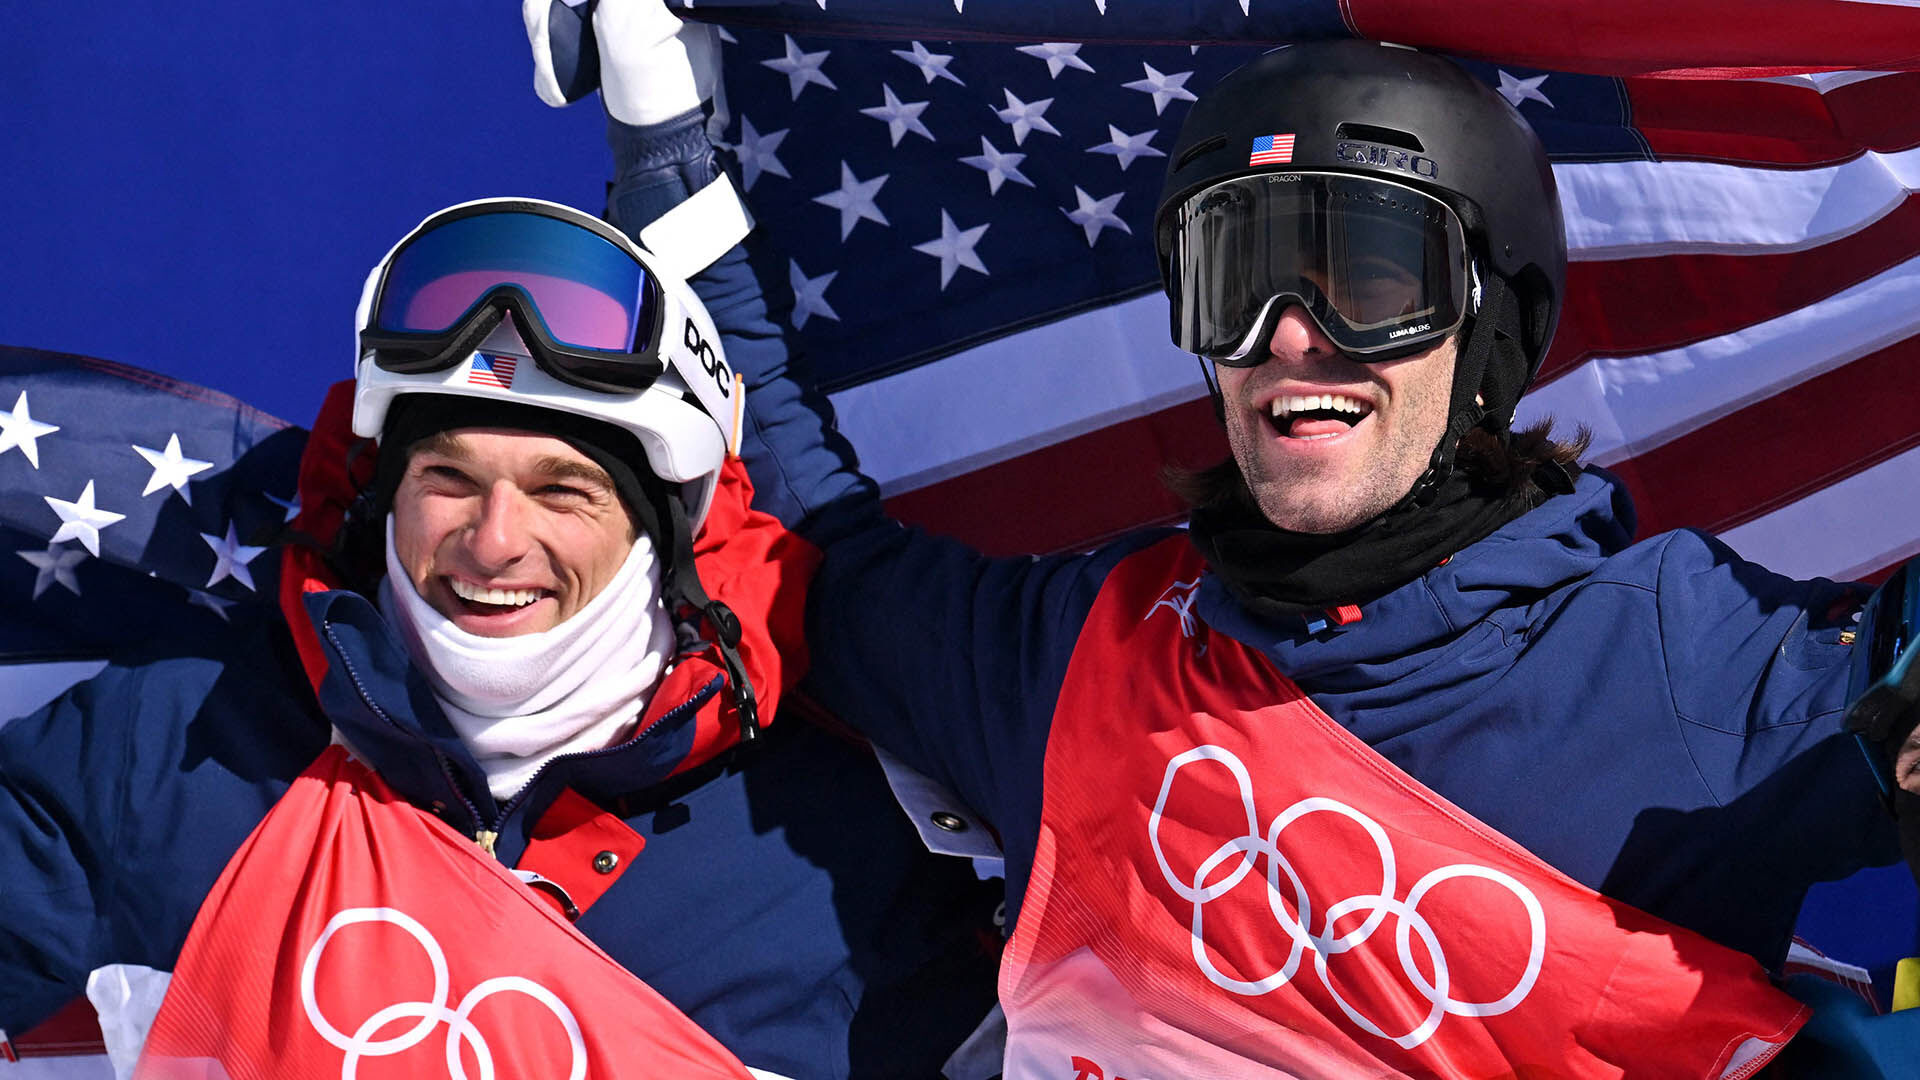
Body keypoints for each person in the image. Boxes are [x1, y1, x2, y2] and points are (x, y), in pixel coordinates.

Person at [634, 39, 1918, 1076]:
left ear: (1490, 331)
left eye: (1369, 282)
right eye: (1234, 277)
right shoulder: (1085, 652)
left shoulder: (1684, 659)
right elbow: (803, 545)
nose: (1290, 338)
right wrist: (667, 158)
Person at [0, 194, 1000, 1077]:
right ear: (382, 492)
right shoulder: (180, 748)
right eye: (449, 479)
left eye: (562, 490)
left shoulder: (848, 844)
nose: (493, 541)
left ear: (669, 523)